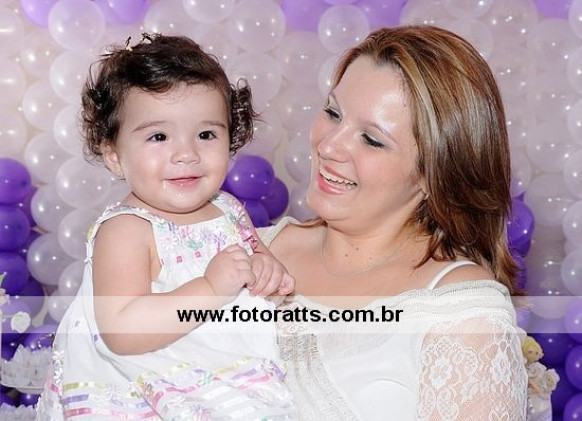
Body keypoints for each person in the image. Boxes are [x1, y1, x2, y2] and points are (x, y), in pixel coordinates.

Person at [260, 25, 528, 420]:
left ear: (434, 173)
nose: (329, 145)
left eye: (371, 139)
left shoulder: (462, 312)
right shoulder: (247, 247)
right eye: (333, 113)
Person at [36, 34, 295, 420]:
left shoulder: (228, 208)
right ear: (114, 155)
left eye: (206, 134)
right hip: (144, 389)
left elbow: (256, 259)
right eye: (158, 136)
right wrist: (210, 288)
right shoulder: (126, 230)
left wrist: (266, 270)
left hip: (223, 372)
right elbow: (121, 330)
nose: (186, 154)